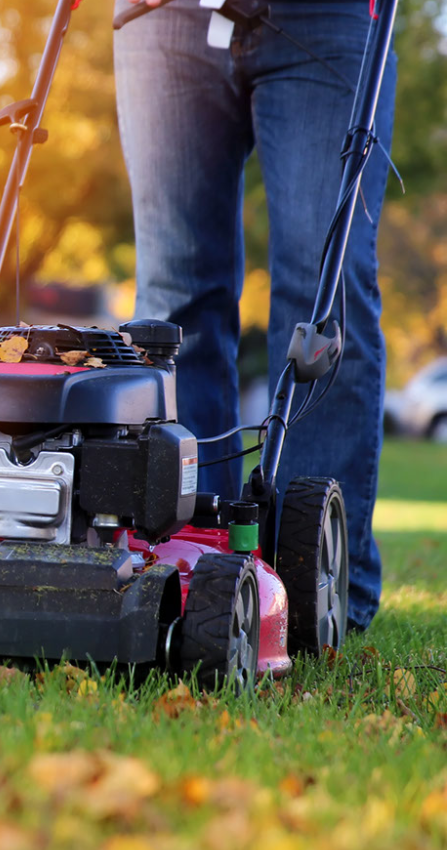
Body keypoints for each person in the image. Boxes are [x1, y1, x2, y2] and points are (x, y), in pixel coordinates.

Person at [113, 0, 396, 632]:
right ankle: (181, 556)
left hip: (329, 15)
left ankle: (317, 581)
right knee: (173, 300)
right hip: (163, 17)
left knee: (324, 291)